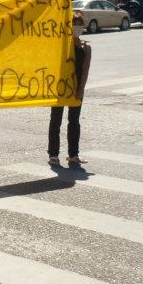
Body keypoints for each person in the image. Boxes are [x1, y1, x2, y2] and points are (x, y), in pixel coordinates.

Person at [49, 11, 92, 169]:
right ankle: (53, 155)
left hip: (76, 89)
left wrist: (80, 90)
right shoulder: (62, 46)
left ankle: (73, 155)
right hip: (60, 88)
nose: (77, 27)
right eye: (75, 23)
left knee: (74, 122)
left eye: (80, 24)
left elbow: (85, 71)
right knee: (56, 121)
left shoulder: (86, 47)